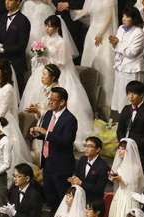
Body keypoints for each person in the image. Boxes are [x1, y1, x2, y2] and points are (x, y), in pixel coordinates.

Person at [24, 15, 93, 146]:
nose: (47, 29)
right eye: (46, 26)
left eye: (50, 26)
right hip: (45, 69)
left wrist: (46, 57)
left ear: (57, 28)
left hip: (58, 72)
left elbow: (61, 62)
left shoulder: (61, 42)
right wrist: (39, 55)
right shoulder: (43, 39)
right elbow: (40, 56)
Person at [29, 86, 78, 210]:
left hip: (61, 166)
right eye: (49, 99)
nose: (49, 102)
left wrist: (45, 133)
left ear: (62, 102)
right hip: (47, 163)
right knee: (50, 198)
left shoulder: (70, 119)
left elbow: (66, 141)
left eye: (53, 100)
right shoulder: (48, 114)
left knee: (62, 199)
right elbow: (46, 136)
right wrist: (37, 134)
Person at [76, 0, 116, 112]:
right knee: (89, 59)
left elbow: (110, 17)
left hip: (104, 32)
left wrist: (100, 33)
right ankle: (88, 92)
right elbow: (88, 12)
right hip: (92, 30)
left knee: (104, 61)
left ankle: (105, 99)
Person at [107, 138, 144, 217]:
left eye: (123, 149)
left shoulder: (136, 167)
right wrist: (114, 177)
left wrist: (121, 180)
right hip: (119, 195)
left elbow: (133, 186)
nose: (120, 151)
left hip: (129, 198)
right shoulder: (120, 165)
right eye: (119, 148)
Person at [109, 7, 144, 113]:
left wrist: (117, 44)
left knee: (131, 96)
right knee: (121, 95)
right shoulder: (120, 28)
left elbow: (132, 52)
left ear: (134, 18)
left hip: (132, 68)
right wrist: (114, 44)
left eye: (127, 17)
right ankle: (122, 116)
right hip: (120, 66)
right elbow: (116, 47)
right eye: (123, 16)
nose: (124, 19)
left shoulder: (138, 32)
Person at [0, 0, 30, 94]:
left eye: (10, 0)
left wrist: (4, 49)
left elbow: (22, 45)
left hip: (15, 63)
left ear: (18, 2)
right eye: (6, 0)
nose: (7, 2)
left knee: (15, 93)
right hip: (1, 62)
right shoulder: (3, 17)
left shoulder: (23, 20)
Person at [115, 81, 144, 159]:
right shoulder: (126, 109)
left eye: (134, 94)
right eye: (129, 93)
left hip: (139, 152)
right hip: (123, 149)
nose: (131, 96)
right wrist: (122, 143)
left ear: (141, 95)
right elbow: (120, 130)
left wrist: (131, 145)